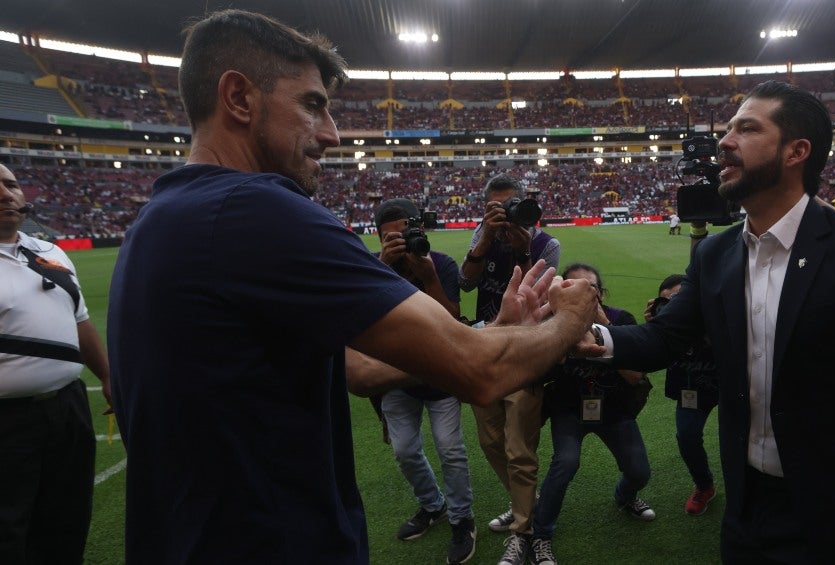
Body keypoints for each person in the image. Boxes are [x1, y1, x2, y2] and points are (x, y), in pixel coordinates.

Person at [106, 11, 596, 565]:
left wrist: (489, 331)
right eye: (312, 104)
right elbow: (478, 372)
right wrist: (571, 317)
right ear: (239, 98)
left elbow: (358, 370)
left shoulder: (158, 219)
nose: (332, 134)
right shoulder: (255, 209)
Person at [580, 81, 835, 564]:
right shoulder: (715, 253)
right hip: (748, 505)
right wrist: (589, 331)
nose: (725, 141)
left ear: (797, 152)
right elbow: (664, 338)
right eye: (728, 128)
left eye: (746, 129)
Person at [0, 163, 112, 564]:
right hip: (8, 419)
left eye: (11, 184)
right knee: (8, 528)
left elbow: (79, 320)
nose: (6, 193)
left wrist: (106, 375)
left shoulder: (50, 252)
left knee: (67, 516)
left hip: (69, 406)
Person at [458, 173, 560, 564]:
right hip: (484, 346)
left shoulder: (546, 243)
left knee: (519, 446)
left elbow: (540, 296)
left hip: (522, 351)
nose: (506, 215)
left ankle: (523, 530)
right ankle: (527, 507)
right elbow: (465, 284)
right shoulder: (479, 237)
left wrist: (522, 252)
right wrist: (484, 238)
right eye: (497, 208)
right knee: (490, 441)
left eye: (510, 205)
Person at [371, 198, 475, 564]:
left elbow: (453, 323)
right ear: (379, 237)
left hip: (439, 374)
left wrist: (429, 276)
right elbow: (363, 319)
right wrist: (381, 265)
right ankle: (433, 505)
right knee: (403, 450)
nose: (400, 241)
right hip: (395, 377)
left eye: (406, 233)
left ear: (421, 229)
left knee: (450, 449)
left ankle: (463, 518)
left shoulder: (442, 264)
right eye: (390, 237)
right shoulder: (370, 267)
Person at [529, 264, 655, 565]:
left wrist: (602, 326)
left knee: (639, 472)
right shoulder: (554, 323)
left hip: (613, 409)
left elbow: (635, 376)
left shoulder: (621, 320)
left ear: (601, 292)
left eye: (591, 288)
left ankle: (625, 497)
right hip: (569, 408)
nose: (585, 293)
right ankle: (541, 535)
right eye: (574, 287)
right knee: (566, 461)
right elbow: (537, 372)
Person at [646, 274, 719, 517]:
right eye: (668, 302)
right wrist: (654, 328)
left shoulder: (716, 312)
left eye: (680, 300)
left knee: (740, 438)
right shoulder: (667, 325)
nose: (675, 307)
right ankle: (704, 486)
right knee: (687, 435)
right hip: (691, 389)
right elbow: (653, 358)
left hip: (728, 384)